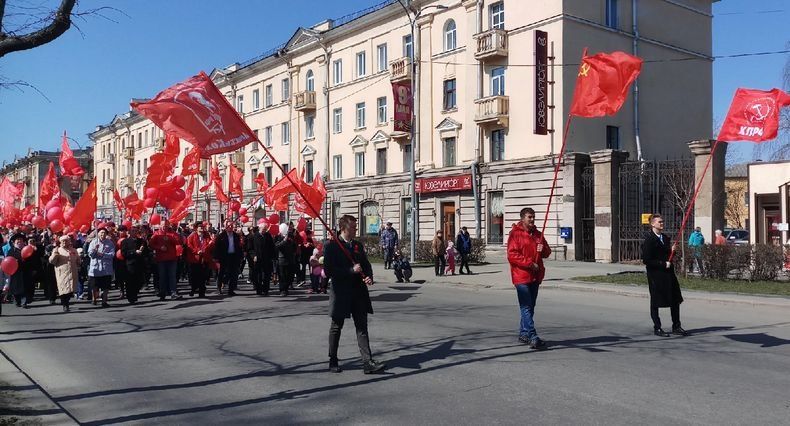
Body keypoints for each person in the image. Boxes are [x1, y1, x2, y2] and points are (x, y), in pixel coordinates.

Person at [324, 215, 385, 374]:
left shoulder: (357, 245)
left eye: (355, 227)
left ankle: (367, 362)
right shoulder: (332, 246)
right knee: (336, 327)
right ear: (343, 228)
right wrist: (350, 271)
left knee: (362, 327)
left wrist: (368, 277)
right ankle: (333, 359)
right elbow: (328, 271)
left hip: (358, 292)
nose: (355, 229)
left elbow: (365, 264)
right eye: (353, 227)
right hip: (341, 293)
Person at [507, 207, 551, 349]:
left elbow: (547, 252)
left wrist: (542, 248)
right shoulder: (515, 234)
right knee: (526, 306)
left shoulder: (538, 234)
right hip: (521, 276)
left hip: (535, 276)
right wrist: (529, 264)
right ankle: (532, 335)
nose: (532, 219)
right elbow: (512, 255)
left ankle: (523, 333)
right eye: (529, 217)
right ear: (522, 218)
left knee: (530, 306)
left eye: (533, 217)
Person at [642, 214, 687, 337]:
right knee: (656, 302)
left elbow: (667, 254)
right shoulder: (649, 240)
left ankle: (676, 326)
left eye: (662, 222)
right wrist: (662, 264)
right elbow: (646, 260)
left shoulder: (665, 238)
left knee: (675, 300)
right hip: (656, 276)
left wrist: (672, 251)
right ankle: (657, 327)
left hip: (668, 275)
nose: (662, 223)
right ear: (652, 224)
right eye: (659, 222)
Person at [149, 220, 182, 300]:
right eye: (163, 225)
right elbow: (151, 244)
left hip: (172, 258)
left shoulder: (172, 233)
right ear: (160, 225)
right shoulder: (156, 234)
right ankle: (162, 292)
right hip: (161, 259)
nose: (165, 226)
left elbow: (179, 242)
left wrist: (171, 237)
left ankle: (173, 292)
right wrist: (159, 248)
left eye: (166, 225)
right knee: (162, 276)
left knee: (172, 276)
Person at [48, 235, 80, 312]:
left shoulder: (73, 250)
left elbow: (78, 260)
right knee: (63, 289)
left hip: (72, 272)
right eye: (63, 241)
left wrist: (79, 261)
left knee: (70, 290)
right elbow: (52, 261)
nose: (64, 243)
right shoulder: (57, 250)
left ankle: (67, 301)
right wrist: (55, 254)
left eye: (66, 241)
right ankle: (65, 304)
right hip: (62, 273)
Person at [87, 228, 115, 308]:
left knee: (106, 286)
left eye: (104, 233)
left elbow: (112, 254)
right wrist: (95, 249)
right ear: (98, 234)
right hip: (95, 268)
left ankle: (104, 301)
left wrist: (103, 255)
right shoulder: (94, 242)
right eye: (101, 233)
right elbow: (90, 255)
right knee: (94, 286)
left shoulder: (110, 243)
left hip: (106, 268)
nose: (102, 235)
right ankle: (94, 298)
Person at [121, 227, 149, 304]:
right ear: (129, 232)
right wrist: (134, 252)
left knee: (139, 281)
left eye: (136, 231)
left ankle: (135, 293)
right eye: (132, 231)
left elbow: (146, 253)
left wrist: (143, 250)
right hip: (130, 264)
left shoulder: (141, 241)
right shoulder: (125, 241)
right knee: (130, 282)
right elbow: (124, 253)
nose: (134, 232)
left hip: (139, 264)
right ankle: (131, 297)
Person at [214, 220, 243, 296]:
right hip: (224, 257)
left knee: (233, 274)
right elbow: (217, 247)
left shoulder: (236, 235)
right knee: (222, 273)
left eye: (231, 226)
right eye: (229, 226)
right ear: (225, 226)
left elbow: (239, 247)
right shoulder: (221, 236)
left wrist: (240, 256)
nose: (230, 227)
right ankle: (219, 288)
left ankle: (231, 290)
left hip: (233, 256)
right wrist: (216, 257)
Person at [186, 222, 213, 298]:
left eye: (202, 226)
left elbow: (209, 244)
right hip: (195, 259)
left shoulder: (206, 235)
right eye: (200, 226)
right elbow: (189, 245)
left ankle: (202, 292)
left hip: (204, 258)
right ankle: (193, 288)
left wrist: (210, 244)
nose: (201, 228)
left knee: (203, 276)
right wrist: (197, 251)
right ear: (196, 228)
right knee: (194, 275)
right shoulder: (192, 236)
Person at [254, 221, 276, 296]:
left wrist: (273, 256)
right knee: (259, 275)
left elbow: (272, 246)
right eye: (263, 229)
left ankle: (265, 290)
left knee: (266, 275)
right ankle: (259, 290)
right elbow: (252, 248)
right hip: (258, 259)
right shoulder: (255, 236)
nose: (265, 231)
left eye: (266, 229)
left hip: (267, 258)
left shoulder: (268, 235)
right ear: (259, 228)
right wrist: (254, 255)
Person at [275, 227, 297, 296]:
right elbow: (277, 246)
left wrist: (291, 241)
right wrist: (284, 240)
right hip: (282, 260)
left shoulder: (291, 237)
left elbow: (294, 248)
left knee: (290, 276)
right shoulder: (278, 238)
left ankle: (286, 288)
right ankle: (282, 290)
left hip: (290, 260)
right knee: (282, 276)